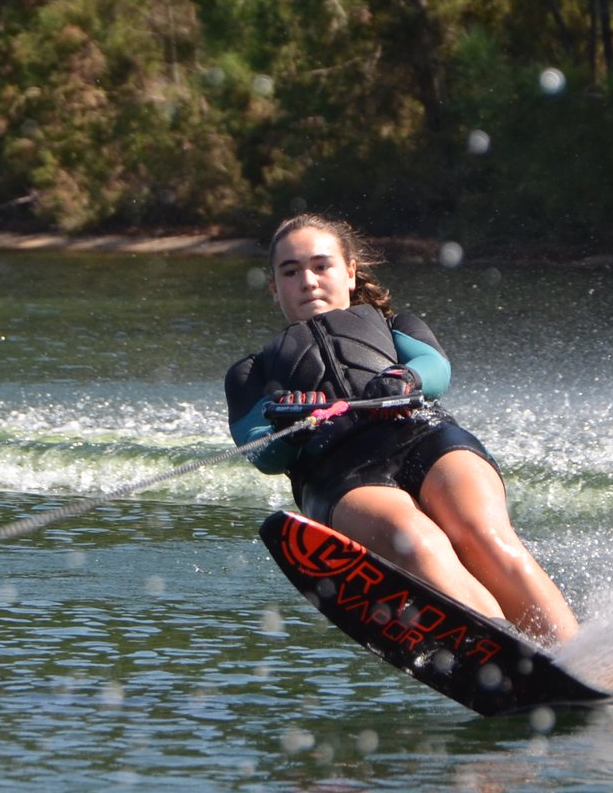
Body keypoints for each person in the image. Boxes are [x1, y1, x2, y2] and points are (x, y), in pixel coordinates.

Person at [225, 213, 578, 646]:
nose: (308, 281)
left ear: (350, 272)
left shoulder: (395, 327)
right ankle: (508, 651)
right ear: (274, 288)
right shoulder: (252, 372)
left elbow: (436, 368)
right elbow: (259, 448)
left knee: (483, 536)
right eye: (291, 271)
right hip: (341, 473)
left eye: (322, 265)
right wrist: (288, 422)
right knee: (415, 540)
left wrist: (406, 378)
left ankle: (576, 654)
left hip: (425, 436)